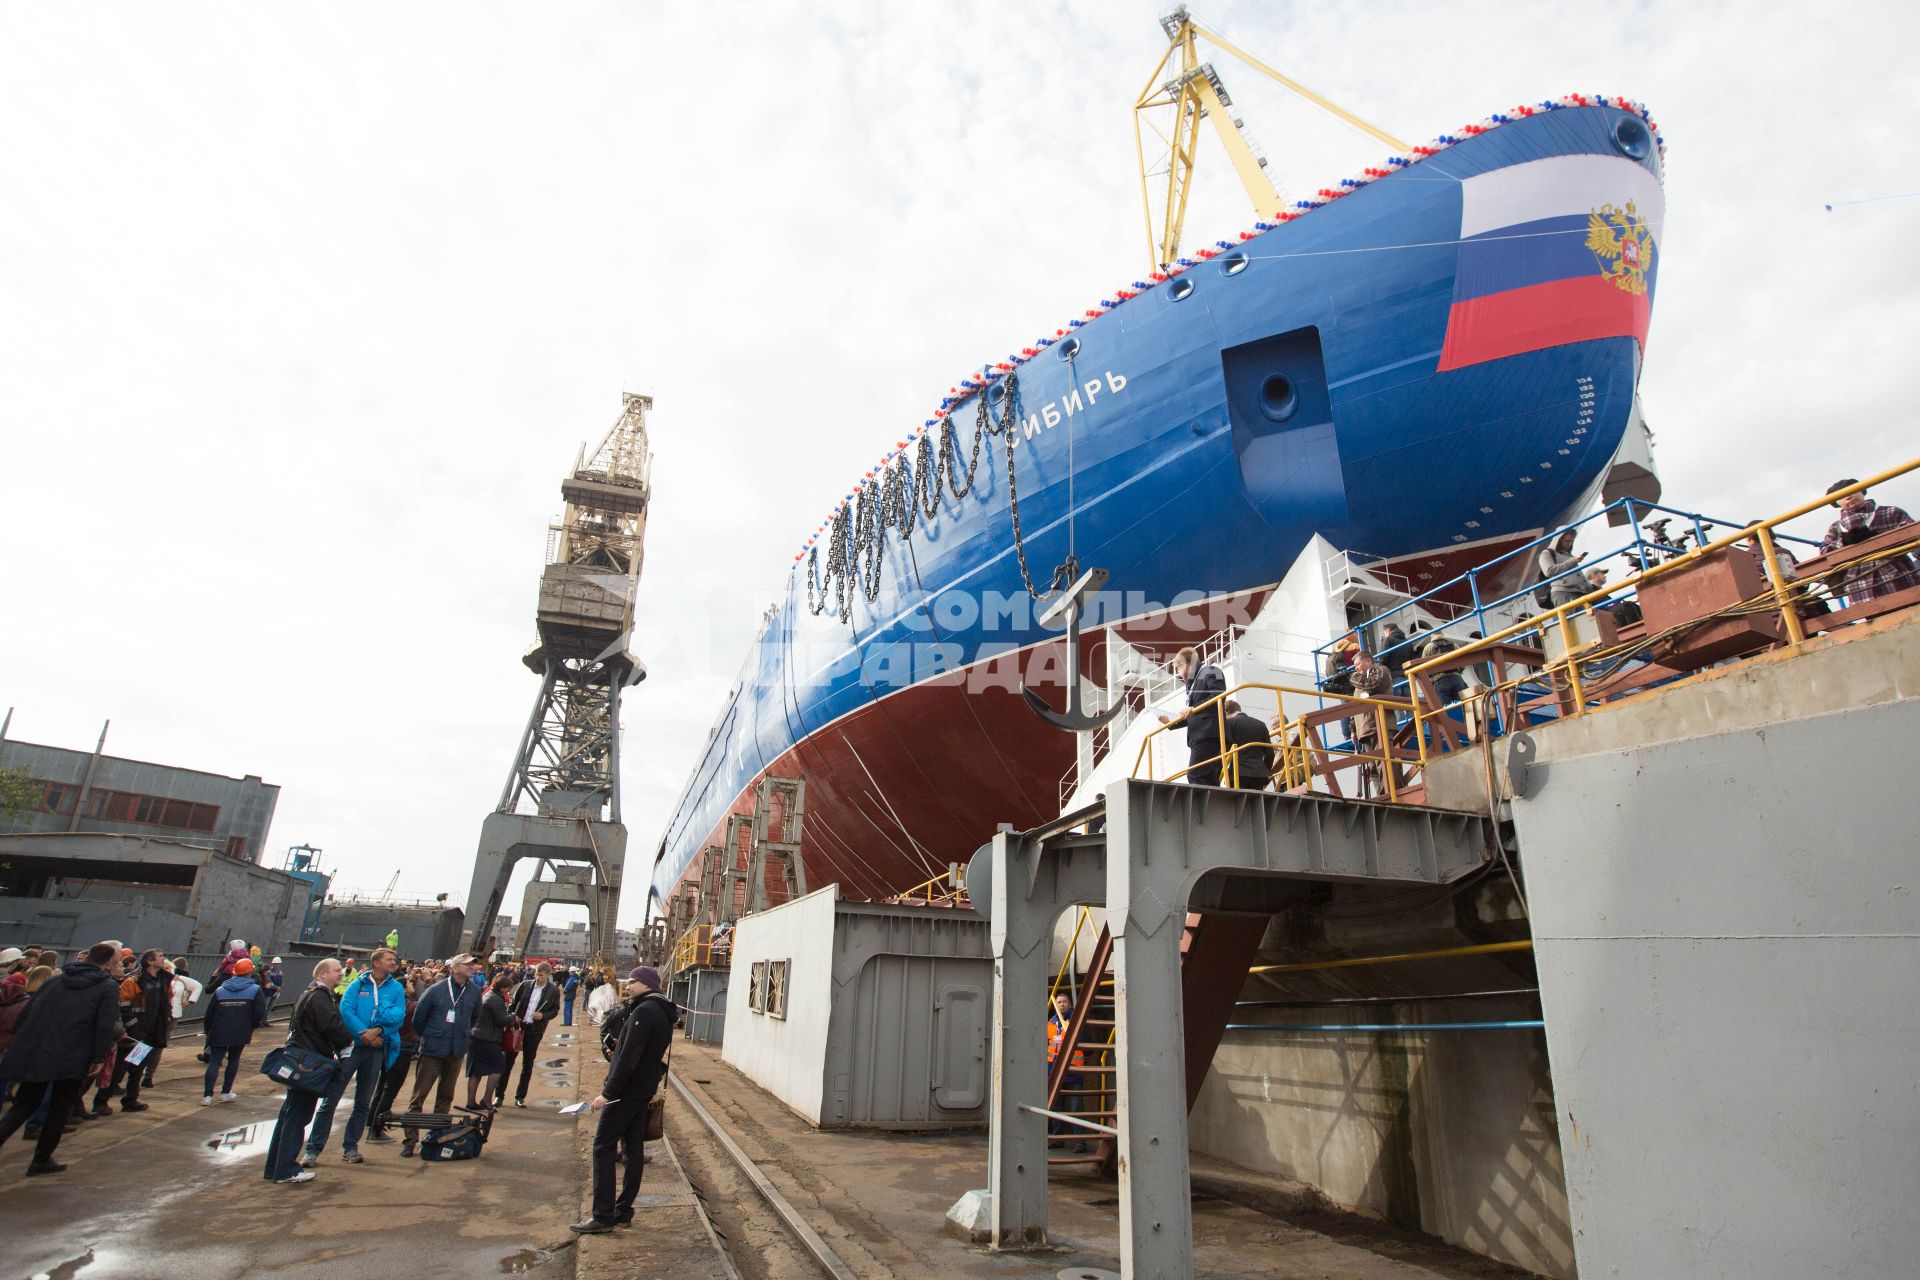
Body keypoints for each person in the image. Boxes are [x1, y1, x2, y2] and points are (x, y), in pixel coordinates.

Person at [0, 940, 125, 1175]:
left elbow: (26, 1013)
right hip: (73, 1055)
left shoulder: (55, 981)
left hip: (38, 1051)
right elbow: (104, 1025)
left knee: (23, 1104)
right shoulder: (107, 987)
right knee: (60, 1107)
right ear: (108, 962)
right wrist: (98, 1057)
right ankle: (41, 1159)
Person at [572, 966, 676, 1234]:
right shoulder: (661, 1010)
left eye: (632, 982)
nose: (627, 986)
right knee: (632, 1150)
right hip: (642, 1090)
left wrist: (607, 1094)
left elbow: (631, 1057)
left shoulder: (644, 1011)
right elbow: (642, 1048)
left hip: (625, 1092)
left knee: (603, 1146)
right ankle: (623, 1210)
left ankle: (603, 1215)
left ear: (647, 984)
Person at [308, 947, 406, 1166]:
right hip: (353, 1048)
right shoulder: (357, 985)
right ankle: (313, 1150)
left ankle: (350, 1147)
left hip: (376, 1049)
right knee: (330, 1099)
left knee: (363, 1101)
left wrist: (379, 1031)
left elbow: (399, 1016)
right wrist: (365, 1034)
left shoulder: (396, 989)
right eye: (389, 959)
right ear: (377, 963)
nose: (394, 962)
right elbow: (346, 1010)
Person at [264, 958, 354, 1186]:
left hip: (302, 1058)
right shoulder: (319, 997)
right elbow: (332, 1027)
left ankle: (276, 1165)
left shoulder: (309, 993)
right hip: (309, 1063)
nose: (340, 975)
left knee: (289, 1114)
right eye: (336, 971)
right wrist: (348, 1041)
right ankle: (286, 1169)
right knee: (297, 1116)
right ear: (323, 974)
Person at [405, 954, 481, 1148]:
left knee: (446, 1096)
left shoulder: (473, 991)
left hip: (456, 1050)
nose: (472, 968)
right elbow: (419, 1019)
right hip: (433, 1049)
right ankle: (411, 1139)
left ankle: (437, 1137)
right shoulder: (435, 990)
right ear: (454, 968)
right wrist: (433, 1036)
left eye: (472, 965)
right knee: (419, 1095)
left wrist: (461, 1034)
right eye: (467, 965)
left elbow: (475, 1018)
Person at [93, 948, 173, 1115]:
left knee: (137, 1069)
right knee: (119, 1069)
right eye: (160, 956)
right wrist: (134, 1029)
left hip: (149, 1033)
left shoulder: (164, 982)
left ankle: (130, 1099)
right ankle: (101, 1101)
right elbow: (123, 1008)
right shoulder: (133, 982)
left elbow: (166, 1004)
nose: (163, 959)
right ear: (150, 961)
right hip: (134, 1034)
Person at [1819, 480, 1919, 603]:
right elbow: (1824, 554)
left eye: (1852, 491)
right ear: (1836, 503)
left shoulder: (1891, 512)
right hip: (1860, 585)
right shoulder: (1836, 527)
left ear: (1862, 491)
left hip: (1897, 575)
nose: (1848, 496)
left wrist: (1881, 536)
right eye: (1840, 496)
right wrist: (1843, 542)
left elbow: (1915, 538)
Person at [1157, 646, 1228, 787]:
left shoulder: (1211, 671)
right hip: (1201, 736)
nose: (1178, 674)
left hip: (1208, 734)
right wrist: (1170, 722)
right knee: (1209, 778)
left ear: (1185, 664)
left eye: (1177, 669)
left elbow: (1219, 695)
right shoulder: (1191, 683)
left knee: (1195, 775)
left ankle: (1202, 808)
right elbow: (1194, 714)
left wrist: (1193, 708)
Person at [203, 957, 269, 1104]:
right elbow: (260, 1012)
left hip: (219, 1030)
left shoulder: (221, 990)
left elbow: (210, 1013)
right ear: (250, 972)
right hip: (240, 1030)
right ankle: (225, 1092)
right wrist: (252, 1026)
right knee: (233, 1060)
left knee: (214, 1061)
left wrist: (208, 1030)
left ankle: (207, 1096)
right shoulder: (255, 990)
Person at [368, 967, 423, 1143]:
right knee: (391, 1089)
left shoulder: (392, 1004)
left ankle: (371, 1121)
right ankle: (377, 1128)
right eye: (408, 983)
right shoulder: (410, 1006)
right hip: (403, 1048)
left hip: (390, 1046)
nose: (411, 984)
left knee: (382, 1086)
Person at [506, 962, 561, 1107]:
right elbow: (513, 1003)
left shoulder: (553, 991)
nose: (538, 977)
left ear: (548, 975)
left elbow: (555, 1011)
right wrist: (513, 1015)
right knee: (508, 1061)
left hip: (534, 1030)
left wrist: (543, 1016)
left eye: (541, 975)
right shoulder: (525, 985)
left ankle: (520, 1096)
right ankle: (499, 1095)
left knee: (527, 1064)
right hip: (519, 1027)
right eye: (536, 974)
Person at [1046, 992, 1089, 1155]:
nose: (1061, 1004)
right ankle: (1058, 1138)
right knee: (1056, 1106)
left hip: (1073, 1071)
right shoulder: (1051, 1023)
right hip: (1054, 1071)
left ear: (1070, 1005)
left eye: (1064, 1001)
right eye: (1059, 1002)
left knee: (1076, 1106)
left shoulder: (1076, 1021)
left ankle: (1081, 1141)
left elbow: (1086, 1042)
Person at [466, 972, 516, 1110]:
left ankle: (471, 1102)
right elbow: (501, 1020)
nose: (509, 991)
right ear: (503, 988)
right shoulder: (496, 999)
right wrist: (513, 1016)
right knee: (499, 1066)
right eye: (508, 989)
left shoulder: (488, 995)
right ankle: (487, 1100)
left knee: (476, 1071)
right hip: (488, 1038)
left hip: (477, 1036)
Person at [1348, 650, 1394, 797]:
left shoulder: (1381, 671)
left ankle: (1391, 793)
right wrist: (1353, 729)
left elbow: (1372, 685)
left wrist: (1354, 678)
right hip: (1365, 728)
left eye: (1358, 664)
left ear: (1368, 661)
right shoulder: (1358, 681)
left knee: (1385, 763)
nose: (1356, 668)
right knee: (1372, 767)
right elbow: (1355, 706)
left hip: (1381, 724)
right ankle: (1382, 795)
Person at [1221, 699, 1275, 790]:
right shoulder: (1261, 724)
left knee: (1238, 803)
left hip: (1237, 774)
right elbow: (1270, 754)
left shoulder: (1229, 723)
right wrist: (1265, 772)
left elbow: (1224, 751)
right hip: (1259, 774)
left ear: (1226, 712)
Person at [1535, 530, 1588, 608]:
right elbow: (1549, 571)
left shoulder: (1569, 556)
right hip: (1563, 593)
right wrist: (1572, 561)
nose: (1569, 544)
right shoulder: (1546, 553)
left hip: (1579, 593)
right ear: (1559, 540)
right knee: (1570, 619)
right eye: (1567, 541)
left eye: (1571, 541)